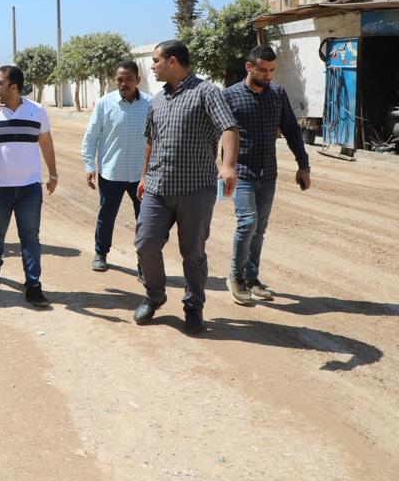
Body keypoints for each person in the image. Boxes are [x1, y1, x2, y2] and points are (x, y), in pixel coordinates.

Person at [133, 40, 239, 334]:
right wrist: (143, 177)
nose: (152, 66)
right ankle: (155, 295)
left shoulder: (206, 92)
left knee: (193, 255)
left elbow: (229, 128)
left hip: (195, 190)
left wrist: (228, 166)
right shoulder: (157, 100)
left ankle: (193, 308)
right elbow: (151, 141)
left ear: (173, 62)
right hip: (157, 187)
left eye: (156, 60)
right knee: (145, 245)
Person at [223, 44, 311, 305]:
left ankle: (252, 278)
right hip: (241, 172)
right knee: (247, 223)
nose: (268, 75)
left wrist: (303, 165)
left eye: (272, 70)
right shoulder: (229, 96)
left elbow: (292, 130)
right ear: (249, 67)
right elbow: (215, 134)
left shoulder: (277, 94)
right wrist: (220, 168)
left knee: (259, 229)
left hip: (268, 173)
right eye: (263, 70)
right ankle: (235, 277)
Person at [0, 65, 58, 307]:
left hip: (29, 187)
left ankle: (33, 284)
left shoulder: (36, 110)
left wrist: (53, 174)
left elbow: (46, 142)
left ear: (14, 86)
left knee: (30, 237)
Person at [81, 60, 151, 273]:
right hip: (111, 172)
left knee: (145, 220)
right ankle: (100, 253)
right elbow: (91, 136)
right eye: (120, 79)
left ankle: (145, 262)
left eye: (129, 79)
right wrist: (89, 165)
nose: (124, 83)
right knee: (107, 215)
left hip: (141, 176)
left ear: (138, 80)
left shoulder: (151, 104)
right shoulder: (105, 104)